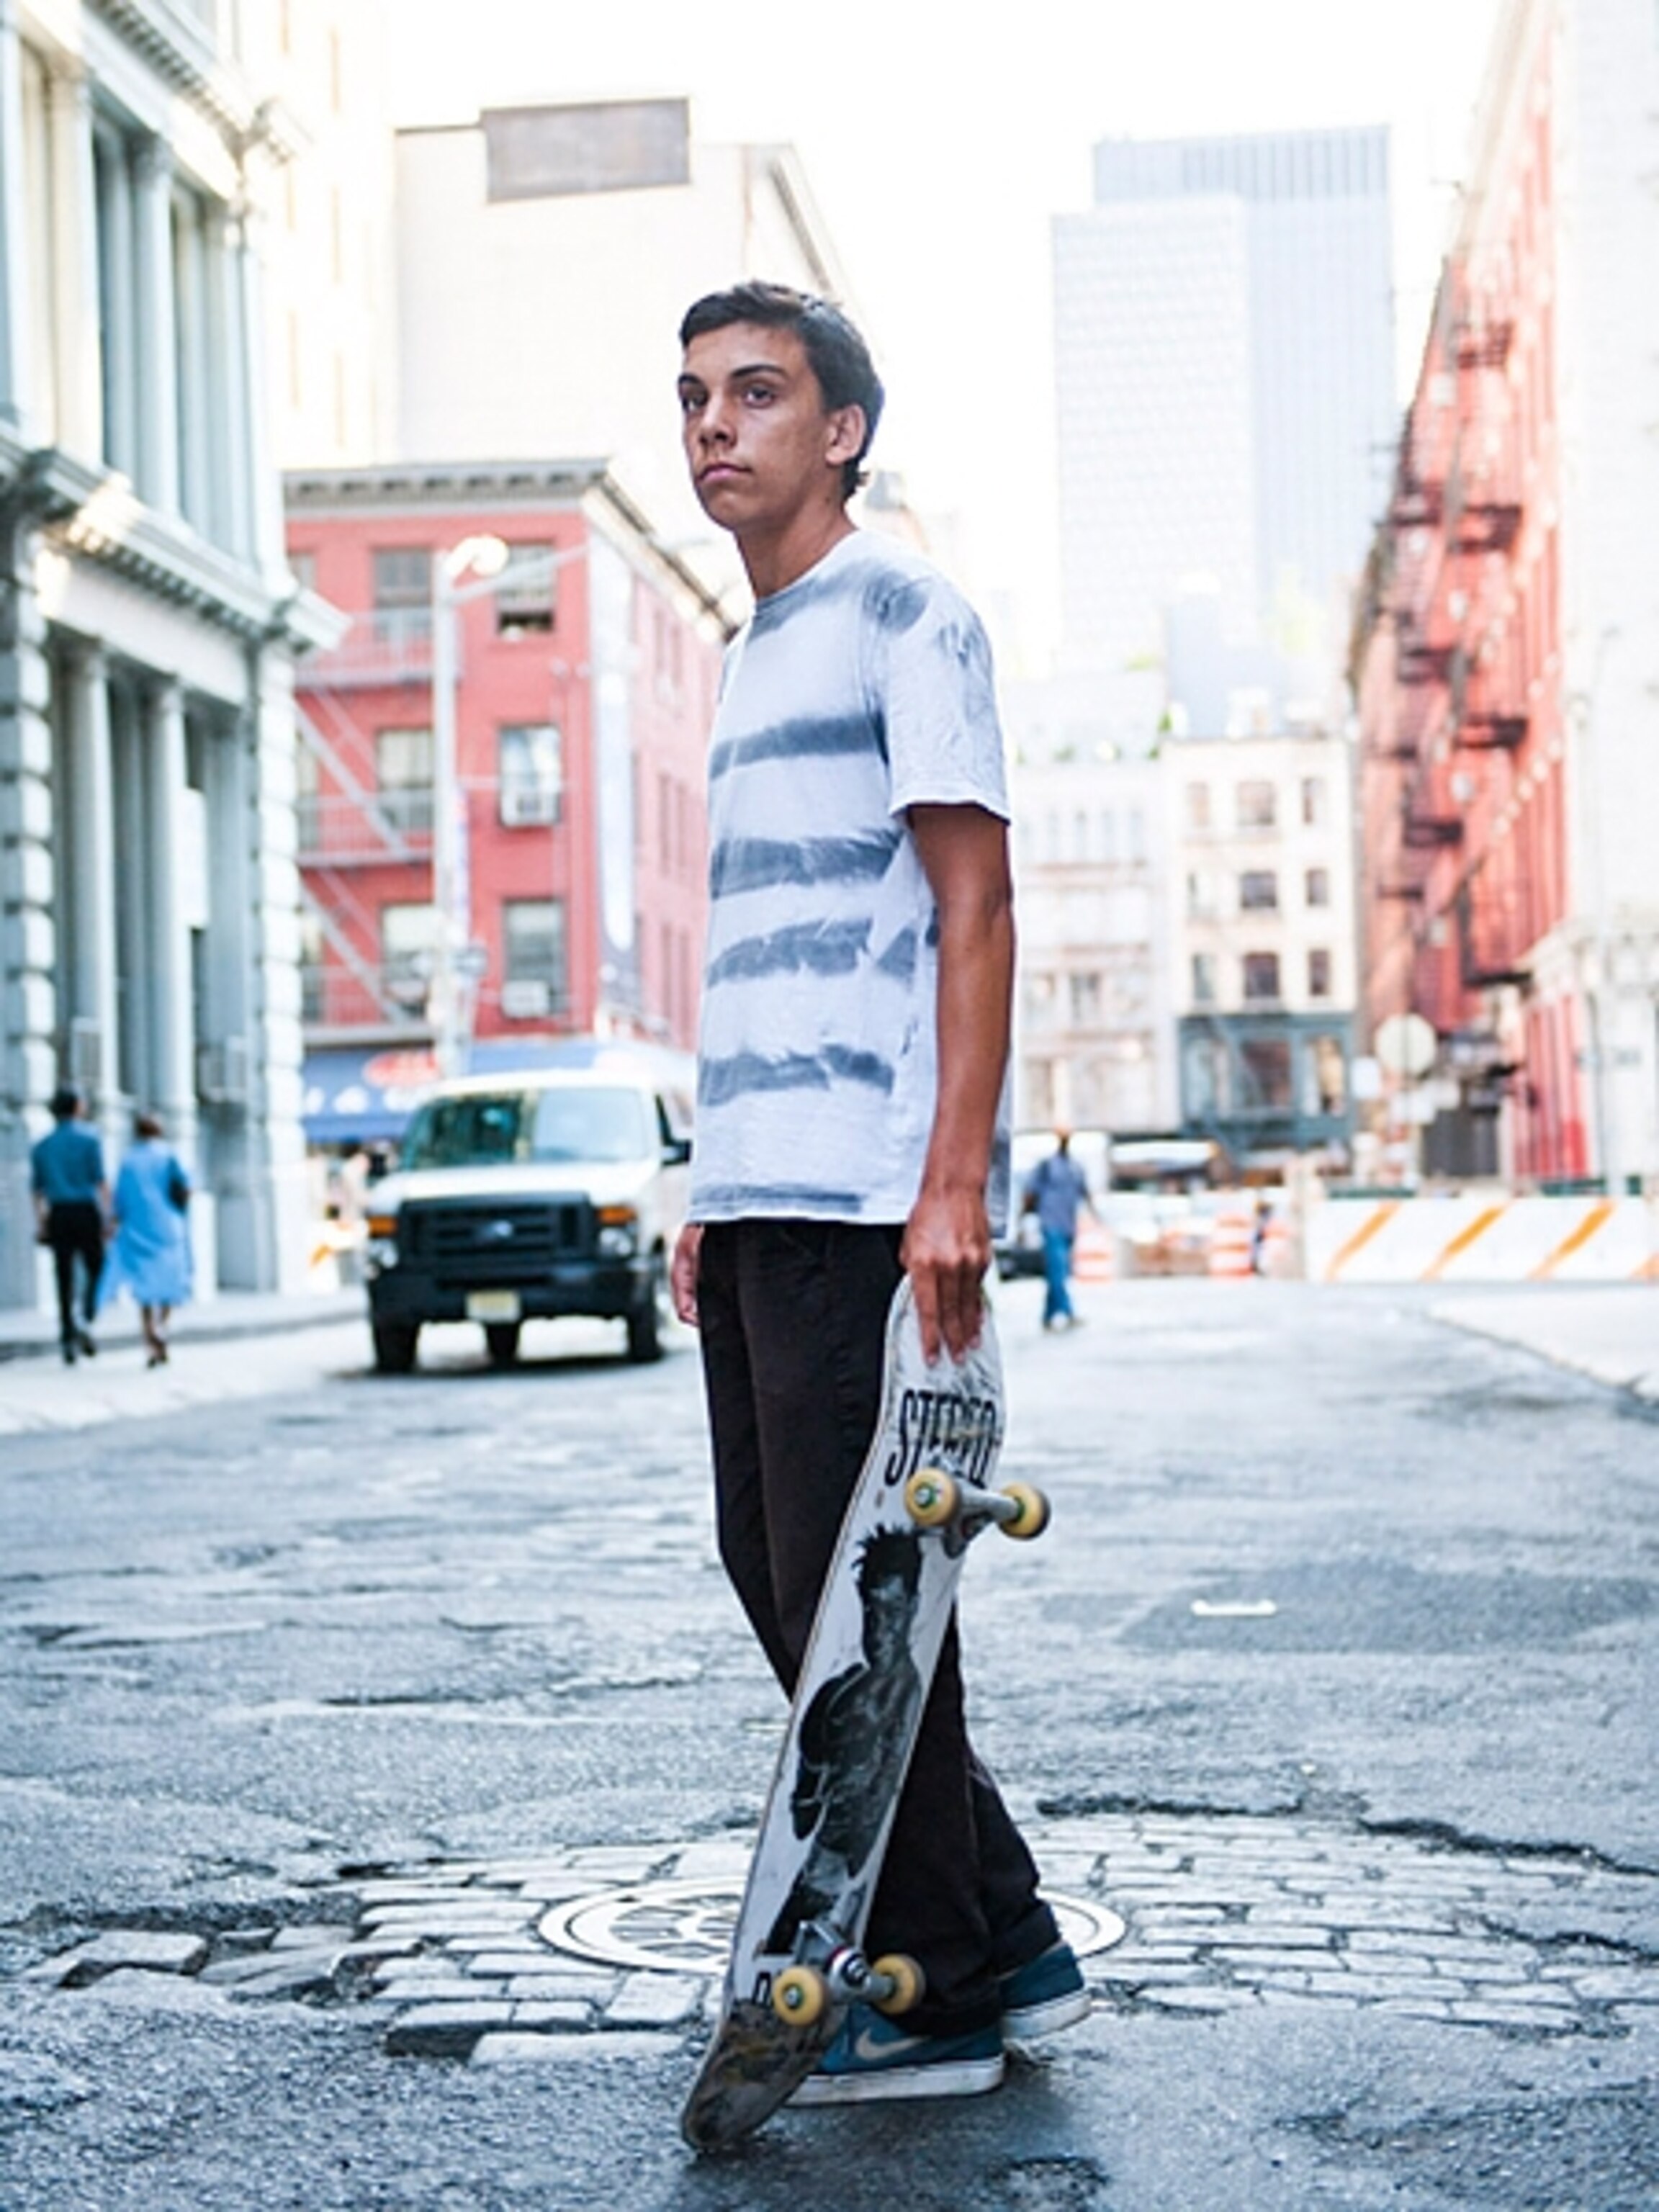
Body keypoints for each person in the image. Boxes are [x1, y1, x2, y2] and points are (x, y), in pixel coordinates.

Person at [669, 281, 1087, 2106]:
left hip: (863, 1197)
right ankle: (1010, 1936)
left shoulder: (908, 610)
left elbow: (974, 906)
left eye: (756, 393)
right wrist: (709, 1185)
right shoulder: (753, 647)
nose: (714, 424)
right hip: (762, 1190)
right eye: (695, 397)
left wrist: (953, 1183)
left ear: (839, 431)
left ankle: (941, 1994)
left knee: (858, 1595)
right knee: (776, 1565)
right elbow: (767, 951)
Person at [102, 1113, 193, 1366]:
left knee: (144, 1289)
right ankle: (162, 1326)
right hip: (168, 1228)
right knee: (168, 1285)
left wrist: (113, 1222)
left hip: (138, 1229)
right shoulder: (169, 1155)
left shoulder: (129, 1160)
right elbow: (186, 1187)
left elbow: (119, 1198)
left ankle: (150, 1341)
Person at [30, 1087, 109, 1364]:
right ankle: (86, 1317)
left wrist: (42, 1223)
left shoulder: (42, 1145)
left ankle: (67, 1336)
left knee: (63, 1276)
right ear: (77, 1107)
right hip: (86, 1211)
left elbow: (37, 1191)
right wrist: (108, 1217)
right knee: (98, 1268)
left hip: (59, 1213)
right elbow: (100, 1181)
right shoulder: (90, 1139)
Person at [1023, 1129, 1095, 1331]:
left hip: (1068, 1225)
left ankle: (1048, 1314)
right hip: (1051, 1223)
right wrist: (1022, 1219)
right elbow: (1030, 1193)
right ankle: (1068, 1311)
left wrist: (1097, 1217)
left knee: (1058, 1271)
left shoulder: (1076, 1167)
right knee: (1058, 1269)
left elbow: (1085, 1193)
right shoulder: (1047, 1166)